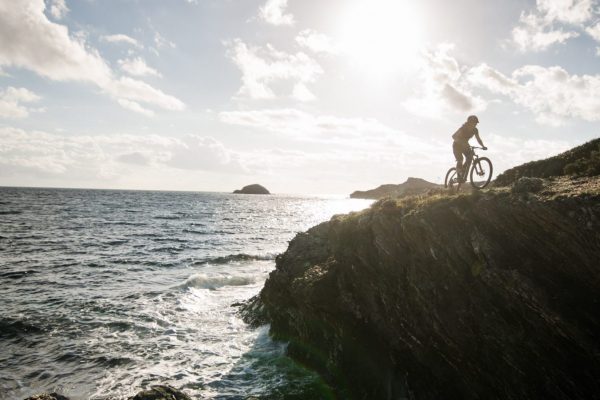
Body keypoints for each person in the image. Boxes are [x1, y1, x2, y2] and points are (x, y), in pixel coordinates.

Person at [452, 115, 487, 182]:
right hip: (457, 145)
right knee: (460, 160)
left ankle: (463, 172)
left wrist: (483, 146)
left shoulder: (475, 130)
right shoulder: (463, 128)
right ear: (469, 122)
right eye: (474, 122)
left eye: (476, 123)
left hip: (465, 145)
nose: (476, 124)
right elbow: (453, 136)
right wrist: (461, 142)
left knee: (470, 157)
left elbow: (478, 139)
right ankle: (459, 176)